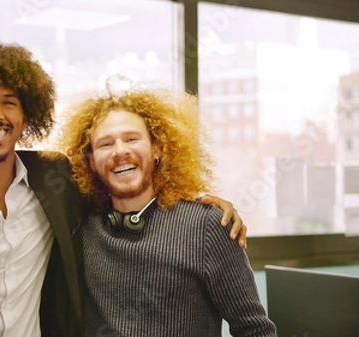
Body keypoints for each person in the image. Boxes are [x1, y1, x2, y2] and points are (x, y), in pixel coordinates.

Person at [0, 39, 246, 337]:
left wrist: (203, 203)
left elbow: (131, 188)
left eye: (9, 103)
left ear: (25, 117)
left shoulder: (56, 182)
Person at [57, 86, 277, 336]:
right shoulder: (79, 228)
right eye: (105, 144)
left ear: (157, 149)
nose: (120, 151)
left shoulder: (206, 225)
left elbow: (254, 330)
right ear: (91, 162)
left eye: (131, 139)